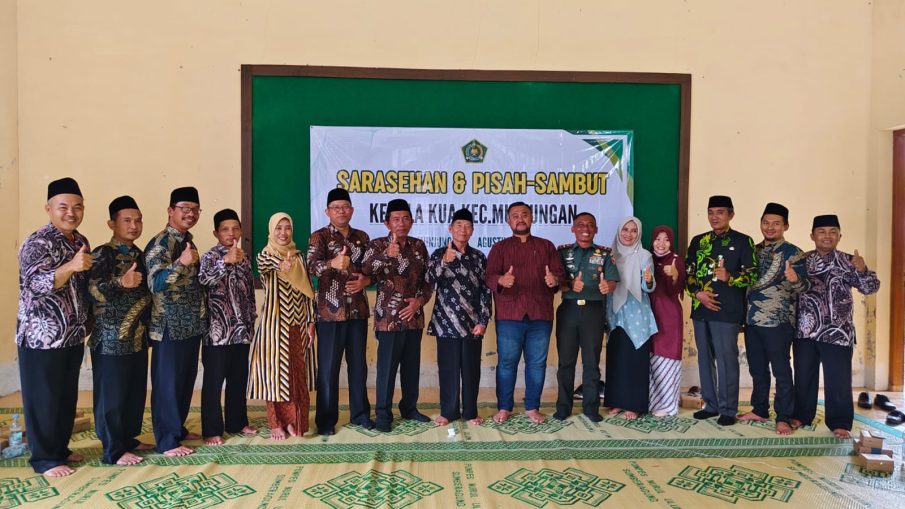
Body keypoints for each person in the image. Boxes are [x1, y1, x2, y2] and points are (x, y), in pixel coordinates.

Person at [17, 177, 91, 476]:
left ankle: (59, 449)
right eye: (63, 207)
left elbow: (82, 286)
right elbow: (34, 285)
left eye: (77, 207)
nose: (71, 213)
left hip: (72, 334)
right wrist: (71, 266)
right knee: (43, 399)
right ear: (48, 208)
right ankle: (44, 458)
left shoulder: (80, 241)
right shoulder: (37, 243)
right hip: (42, 336)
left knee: (65, 397)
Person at [791, 215, 880, 439]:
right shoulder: (801, 261)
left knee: (839, 380)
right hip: (805, 330)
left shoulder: (849, 261)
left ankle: (840, 422)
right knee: (803, 377)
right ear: (812, 236)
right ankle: (801, 415)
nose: (827, 236)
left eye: (833, 231)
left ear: (840, 236)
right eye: (821, 231)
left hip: (839, 332)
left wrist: (862, 270)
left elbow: (871, 288)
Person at [87, 195, 154, 465]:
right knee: (111, 397)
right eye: (127, 220)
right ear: (111, 224)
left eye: (138, 220)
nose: (133, 226)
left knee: (134, 393)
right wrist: (120, 282)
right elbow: (92, 291)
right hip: (110, 338)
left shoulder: (140, 255)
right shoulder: (102, 253)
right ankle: (113, 450)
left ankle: (128, 439)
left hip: (137, 337)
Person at [485, 202, 565, 424]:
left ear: (532, 218)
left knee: (537, 364)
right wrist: (500, 280)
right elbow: (489, 276)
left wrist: (554, 280)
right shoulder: (499, 248)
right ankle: (504, 407)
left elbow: (559, 275)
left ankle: (532, 407)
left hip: (540, 315)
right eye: (515, 216)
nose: (520, 219)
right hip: (509, 315)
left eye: (524, 215)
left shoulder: (547, 246)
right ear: (508, 221)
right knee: (506, 363)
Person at [144, 186, 207, 456]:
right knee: (167, 386)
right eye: (184, 209)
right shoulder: (161, 244)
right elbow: (155, 283)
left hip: (190, 326)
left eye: (195, 209)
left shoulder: (187, 241)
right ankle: (167, 440)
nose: (190, 214)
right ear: (170, 211)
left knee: (184, 382)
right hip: (168, 326)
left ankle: (177, 428)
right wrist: (181, 263)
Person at [685, 195, 757, 426]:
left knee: (727, 360)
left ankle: (728, 409)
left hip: (727, 312)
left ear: (731, 214)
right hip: (701, 310)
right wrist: (698, 293)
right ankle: (711, 405)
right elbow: (688, 274)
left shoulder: (743, 241)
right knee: (704, 359)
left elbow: (752, 275)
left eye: (720, 212)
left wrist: (730, 276)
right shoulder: (698, 241)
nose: (714, 217)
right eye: (711, 212)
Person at [307, 188, 374, 435]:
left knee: (358, 367)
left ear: (352, 210)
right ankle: (326, 421)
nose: (341, 211)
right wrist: (332, 263)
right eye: (336, 207)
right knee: (328, 369)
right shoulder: (319, 237)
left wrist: (366, 281)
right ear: (327, 211)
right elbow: (311, 266)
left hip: (357, 312)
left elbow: (371, 268)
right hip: (329, 314)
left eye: (345, 207)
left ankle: (360, 415)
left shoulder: (362, 237)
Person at [362, 199, 433, 432]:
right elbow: (366, 270)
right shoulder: (377, 245)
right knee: (387, 370)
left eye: (405, 219)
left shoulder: (419, 246)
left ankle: (409, 408)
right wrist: (386, 255)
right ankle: (383, 415)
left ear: (411, 222)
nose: (401, 223)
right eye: (396, 219)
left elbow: (428, 281)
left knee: (411, 368)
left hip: (414, 318)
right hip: (388, 320)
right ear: (387, 223)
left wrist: (419, 302)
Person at [740, 203, 809, 435]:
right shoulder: (752, 250)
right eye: (766, 222)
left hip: (778, 322)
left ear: (785, 226)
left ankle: (784, 416)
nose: (770, 227)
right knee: (757, 369)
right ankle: (760, 409)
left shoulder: (794, 253)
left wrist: (794, 278)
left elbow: (805, 288)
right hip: (752, 321)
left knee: (781, 371)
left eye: (776, 223)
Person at [247, 212, 317, 440]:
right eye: (278, 228)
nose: (283, 233)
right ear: (271, 231)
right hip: (274, 327)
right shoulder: (265, 255)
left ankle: (295, 421)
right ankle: (276, 423)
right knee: (275, 376)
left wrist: (311, 321)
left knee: (297, 376)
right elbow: (266, 265)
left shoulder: (299, 257)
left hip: (299, 325)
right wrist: (281, 264)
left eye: (287, 228)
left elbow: (308, 292)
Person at [426, 208, 492, 426]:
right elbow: (429, 281)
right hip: (445, 322)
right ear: (450, 229)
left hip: (472, 323)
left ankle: (471, 412)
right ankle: (449, 411)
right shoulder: (438, 254)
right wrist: (444, 261)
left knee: (471, 370)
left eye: (467, 226)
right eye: (459, 226)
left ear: (472, 230)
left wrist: (483, 321)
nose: (463, 230)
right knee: (448, 370)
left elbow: (485, 291)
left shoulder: (479, 257)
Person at [198, 209, 258, 445]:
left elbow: (249, 293)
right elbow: (204, 280)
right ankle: (212, 429)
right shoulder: (209, 257)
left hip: (241, 332)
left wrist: (251, 322)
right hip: (217, 333)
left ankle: (237, 422)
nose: (231, 233)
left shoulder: (245, 258)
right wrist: (224, 262)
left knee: (238, 379)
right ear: (216, 233)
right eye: (225, 229)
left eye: (235, 228)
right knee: (213, 383)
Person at [553, 212, 618, 422]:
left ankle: (591, 408)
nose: (585, 228)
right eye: (580, 224)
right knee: (566, 362)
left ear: (596, 230)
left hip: (593, 312)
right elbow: (555, 283)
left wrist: (608, 286)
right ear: (573, 228)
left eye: (590, 225)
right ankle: (563, 407)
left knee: (591, 362)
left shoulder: (604, 254)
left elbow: (612, 281)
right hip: (568, 311)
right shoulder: (562, 252)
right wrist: (570, 285)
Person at [604, 217, 657, 419]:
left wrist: (649, 280)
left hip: (637, 313)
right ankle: (616, 401)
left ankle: (634, 404)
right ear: (619, 231)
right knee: (617, 357)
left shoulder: (645, 255)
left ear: (639, 234)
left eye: (634, 231)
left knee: (635, 359)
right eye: (625, 230)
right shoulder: (610, 254)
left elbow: (648, 287)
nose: (629, 234)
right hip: (615, 313)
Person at [647, 225, 686, 417]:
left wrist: (675, 275)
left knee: (667, 359)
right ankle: (653, 402)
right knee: (651, 359)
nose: (661, 244)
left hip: (668, 317)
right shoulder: (647, 259)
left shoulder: (676, 260)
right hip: (649, 316)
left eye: (666, 239)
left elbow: (676, 290)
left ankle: (669, 405)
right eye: (658, 239)